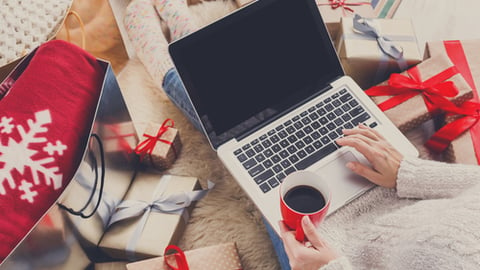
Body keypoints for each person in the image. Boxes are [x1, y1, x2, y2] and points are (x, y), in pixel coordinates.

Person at [125, 1, 480, 269]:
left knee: (235, 126)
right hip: (393, 189)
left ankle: (168, 64)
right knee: (288, 101)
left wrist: (331, 267)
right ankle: (186, 37)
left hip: (327, 246)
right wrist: (408, 172)